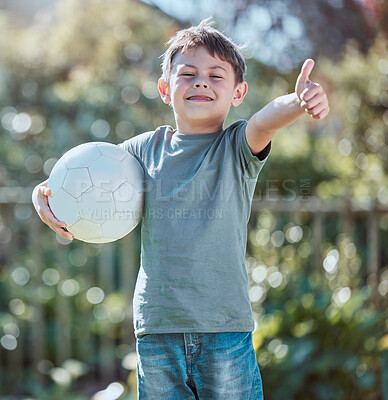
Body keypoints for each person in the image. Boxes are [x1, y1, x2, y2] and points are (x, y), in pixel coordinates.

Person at [32, 18, 329, 400]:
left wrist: (297, 101)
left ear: (238, 92)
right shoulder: (142, 150)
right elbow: (84, 181)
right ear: (165, 88)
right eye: (187, 73)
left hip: (224, 329)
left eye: (215, 75)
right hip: (157, 329)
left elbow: (265, 120)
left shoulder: (237, 147)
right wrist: (44, 194)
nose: (201, 82)